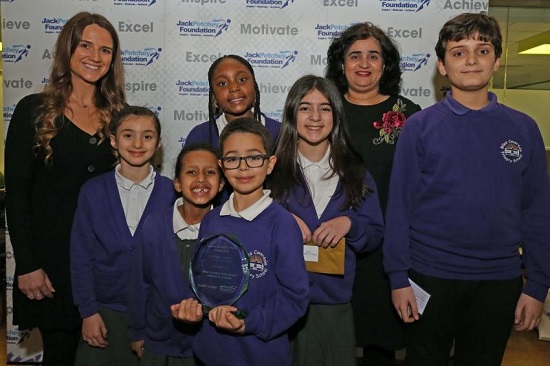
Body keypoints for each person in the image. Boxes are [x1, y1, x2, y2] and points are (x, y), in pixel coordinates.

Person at [383, 12, 550, 366]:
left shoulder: (524, 129)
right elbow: (399, 208)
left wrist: (537, 284)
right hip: (428, 276)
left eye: (482, 50)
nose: (471, 59)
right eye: (459, 52)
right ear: (442, 65)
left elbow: (537, 212)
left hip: (499, 280)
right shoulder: (419, 128)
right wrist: (398, 278)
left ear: (497, 61)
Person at [4, 12, 125, 366]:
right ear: (67, 49)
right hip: (51, 264)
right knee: (60, 353)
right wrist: (27, 264)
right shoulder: (33, 111)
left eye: (106, 50)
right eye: (85, 45)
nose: (95, 56)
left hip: (102, 261)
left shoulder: (118, 115)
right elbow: (17, 194)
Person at [171, 118, 309, 366]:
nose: (243, 167)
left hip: (261, 355)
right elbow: (201, 282)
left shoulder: (282, 224)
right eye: (233, 159)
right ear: (222, 166)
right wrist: (190, 308)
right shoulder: (212, 220)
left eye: (254, 157)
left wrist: (249, 322)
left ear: (270, 164)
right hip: (210, 353)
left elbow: (295, 297)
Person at [269, 75, 384, 366]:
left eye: (325, 108)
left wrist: (350, 224)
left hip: (335, 303)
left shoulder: (355, 171)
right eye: (305, 108)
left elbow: (374, 231)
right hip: (280, 300)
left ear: (336, 114)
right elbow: (246, 219)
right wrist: (281, 219)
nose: (315, 117)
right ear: (292, 114)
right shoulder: (271, 169)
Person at [325, 21, 422, 365]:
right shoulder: (324, 113)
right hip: (334, 243)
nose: (364, 64)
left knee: (382, 341)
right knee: (333, 338)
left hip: (391, 247)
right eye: (355, 56)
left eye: (373, 56)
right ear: (341, 64)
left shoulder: (409, 115)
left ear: (385, 65)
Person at [70, 106, 175, 365]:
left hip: (157, 313)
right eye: (128, 135)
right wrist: (88, 312)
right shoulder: (92, 191)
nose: (138, 143)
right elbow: (81, 256)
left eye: (147, 136)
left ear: (158, 143)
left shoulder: (172, 193)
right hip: (105, 313)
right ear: (114, 141)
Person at [127, 143, 225, 365]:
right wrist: (137, 332)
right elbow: (139, 283)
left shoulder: (227, 230)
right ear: (178, 184)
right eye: (191, 172)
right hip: (159, 343)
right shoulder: (154, 225)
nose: (201, 179)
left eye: (210, 173)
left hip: (210, 345)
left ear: (221, 184)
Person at [185, 54, 280, 147]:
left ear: (254, 87)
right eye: (223, 83)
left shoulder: (280, 134)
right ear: (214, 95)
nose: (234, 88)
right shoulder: (200, 136)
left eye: (242, 79)